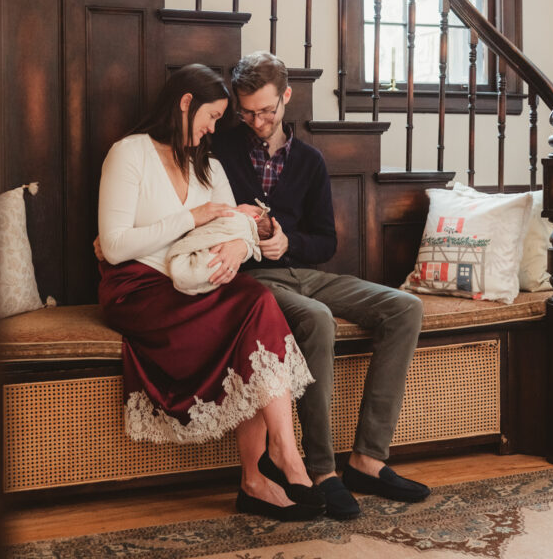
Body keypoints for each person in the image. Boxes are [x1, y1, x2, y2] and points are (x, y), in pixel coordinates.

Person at [96, 63, 326, 521]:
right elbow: (116, 246)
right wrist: (193, 218)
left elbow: (236, 220)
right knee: (249, 313)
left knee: (256, 301)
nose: (213, 128)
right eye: (213, 116)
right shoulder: (129, 154)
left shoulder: (209, 164)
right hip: (137, 289)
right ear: (186, 102)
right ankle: (268, 468)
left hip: (195, 280)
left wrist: (241, 244)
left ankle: (275, 460)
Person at [212, 51, 430, 520]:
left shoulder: (309, 159)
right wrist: (252, 240)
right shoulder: (221, 151)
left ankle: (368, 460)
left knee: (405, 308)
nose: (256, 121)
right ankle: (321, 470)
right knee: (316, 319)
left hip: (305, 272)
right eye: (246, 111)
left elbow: (325, 241)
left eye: (266, 110)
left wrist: (287, 240)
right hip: (250, 279)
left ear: (286, 97)